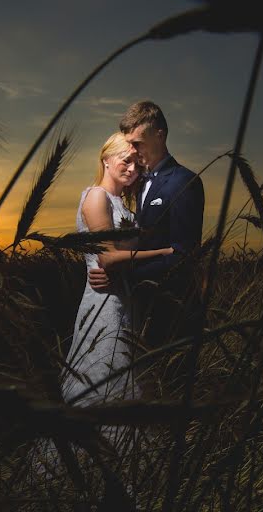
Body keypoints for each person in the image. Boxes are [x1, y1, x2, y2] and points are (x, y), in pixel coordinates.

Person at [88, 101, 205, 390]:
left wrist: (122, 274)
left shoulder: (184, 182)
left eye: (138, 143)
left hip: (172, 308)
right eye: (129, 144)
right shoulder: (137, 184)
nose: (132, 151)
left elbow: (183, 256)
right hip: (140, 310)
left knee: (173, 392)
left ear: (161, 135)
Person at [59, 132, 175, 409]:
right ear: (106, 159)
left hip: (127, 300)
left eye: (138, 164)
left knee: (130, 381)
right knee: (105, 377)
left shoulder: (124, 206)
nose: (133, 169)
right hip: (105, 302)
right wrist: (164, 252)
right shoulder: (96, 197)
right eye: (126, 161)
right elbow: (108, 259)